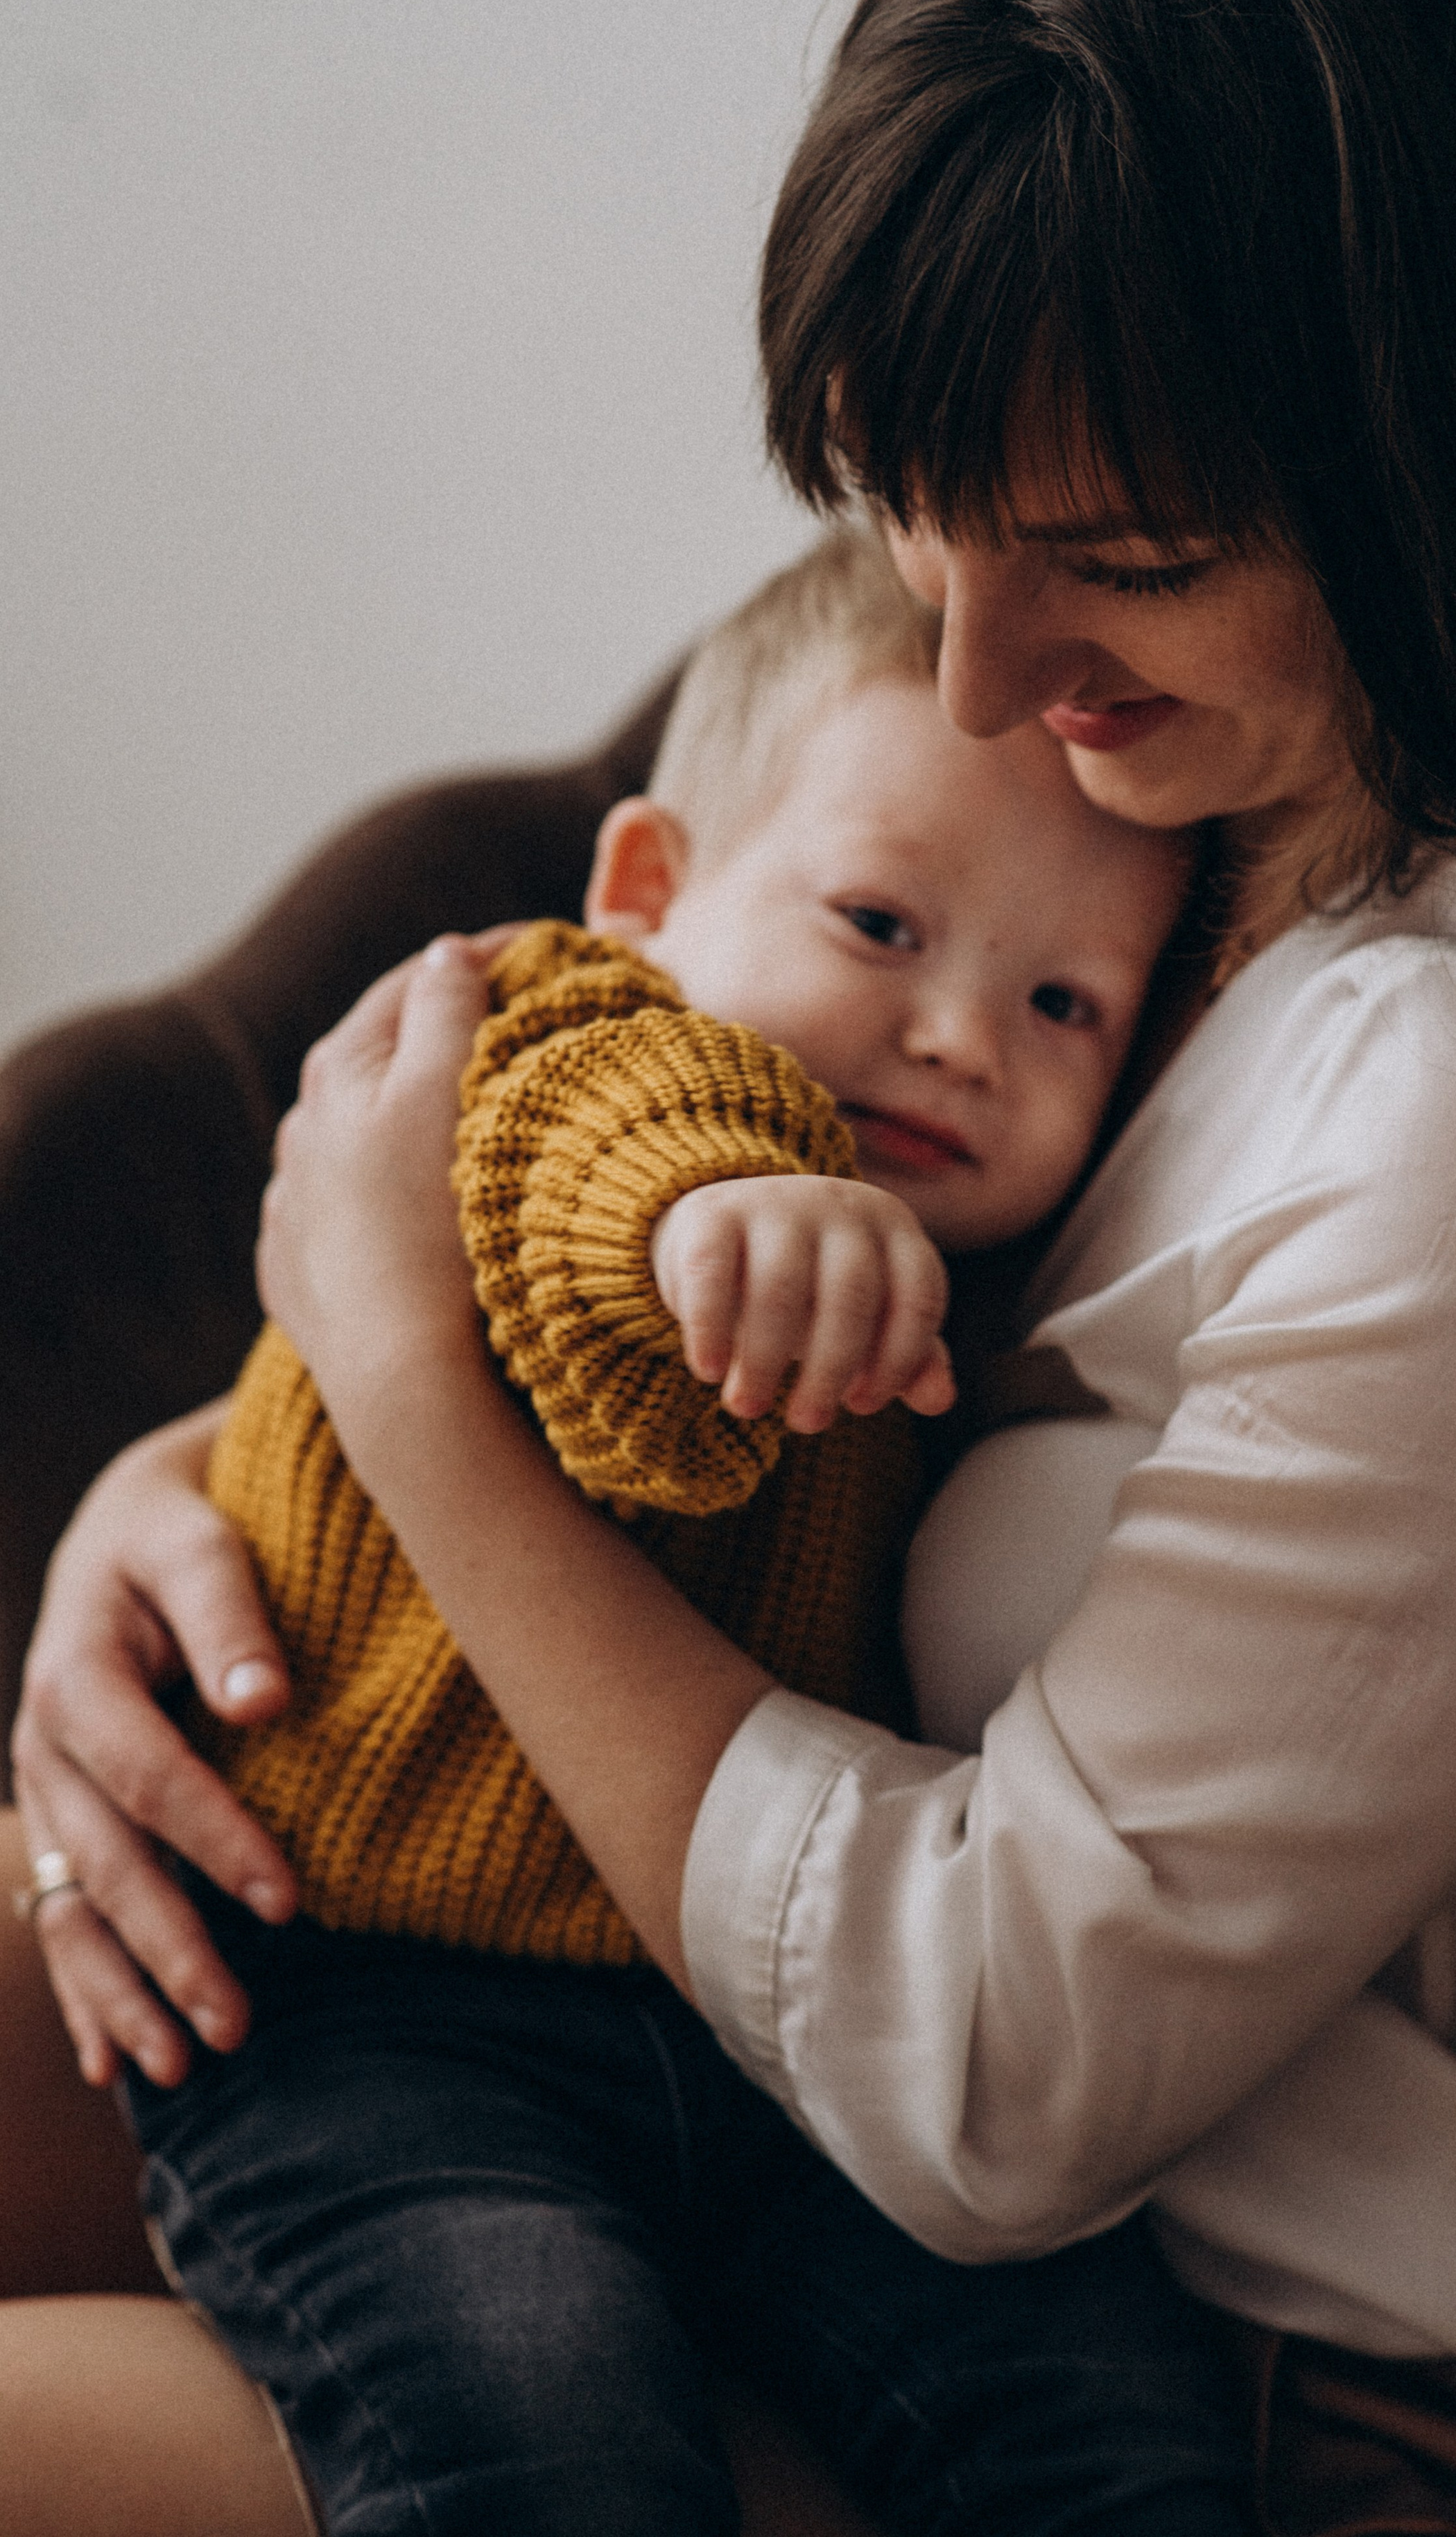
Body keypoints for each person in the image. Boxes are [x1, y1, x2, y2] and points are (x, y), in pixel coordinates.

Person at [9, 0, 1456, 2531]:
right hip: (600, 2006)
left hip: (1209, 2352)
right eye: (909, 501)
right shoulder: (1171, 779)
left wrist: (394, 1376)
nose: (976, 679)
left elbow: (988, 2087)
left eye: (1126, 562)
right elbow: (592, 1120)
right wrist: (185, 1521)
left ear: (1445, 462)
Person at [121, 526, 1227, 2536]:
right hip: (377, 2006)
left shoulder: (991, 1283)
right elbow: (579, 1174)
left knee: (1104, 2416)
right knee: (534, 2429)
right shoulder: (558, 1032)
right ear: (649, 889)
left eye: (1063, 1000)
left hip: (773, 2050)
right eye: (883, 923)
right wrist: (712, 1215)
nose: (963, 1036)